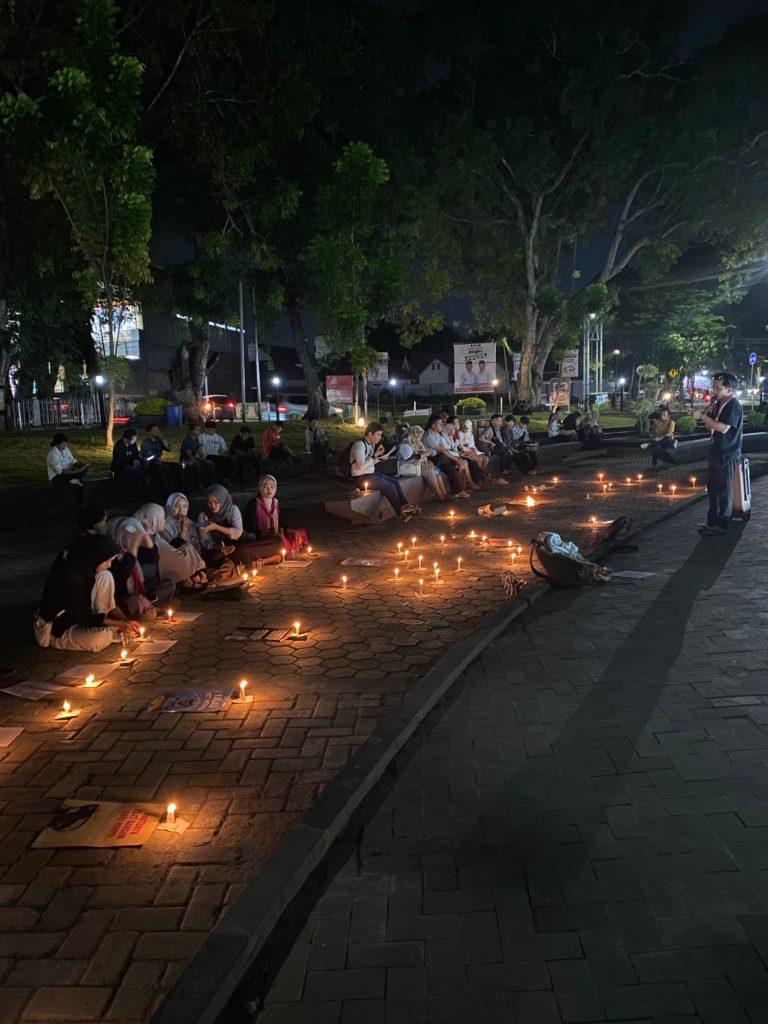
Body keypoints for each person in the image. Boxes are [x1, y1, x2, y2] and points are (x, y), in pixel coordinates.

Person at [35, 535, 139, 651]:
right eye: (107, 561)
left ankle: (110, 628)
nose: (109, 565)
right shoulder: (71, 576)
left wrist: (125, 621)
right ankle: (108, 630)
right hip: (60, 627)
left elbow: (111, 606)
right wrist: (118, 624)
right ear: (96, 557)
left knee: (106, 575)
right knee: (98, 639)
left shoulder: (88, 567)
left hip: (86, 619)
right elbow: (82, 616)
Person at [693, 371, 744, 535]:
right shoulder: (718, 404)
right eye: (713, 388)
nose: (714, 391)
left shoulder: (733, 405)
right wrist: (707, 416)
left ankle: (722, 522)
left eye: (718, 388)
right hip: (716, 449)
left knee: (724, 489)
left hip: (727, 452)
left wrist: (702, 417)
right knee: (713, 487)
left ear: (729, 389)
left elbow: (723, 427)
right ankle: (712, 520)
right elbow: (712, 426)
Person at [349, 422, 421, 520]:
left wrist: (380, 458)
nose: (379, 438)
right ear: (370, 434)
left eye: (380, 435)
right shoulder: (359, 445)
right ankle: (401, 512)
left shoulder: (371, 445)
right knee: (389, 486)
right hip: (361, 478)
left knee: (395, 482)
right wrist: (375, 456)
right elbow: (361, 466)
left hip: (370, 474)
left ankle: (405, 507)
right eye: (378, 435)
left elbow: (369, 464)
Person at [197, 483, 281, 566]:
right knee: (240, 552)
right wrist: (219, 548)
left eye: (216, 502)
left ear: (223, 500)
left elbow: (238, 532)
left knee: (277, 540)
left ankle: (257, 561)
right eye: (210, 502)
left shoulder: (232, 510)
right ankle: (261, 562)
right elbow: (204, 541)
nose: (213, 506)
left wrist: (216, 527)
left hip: (239, 542)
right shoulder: (203, 516)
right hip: (220, 550)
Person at [136, 502, 207, 589]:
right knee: (185, 549)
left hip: (162, 565)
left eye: (185, 506)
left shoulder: (154, 534)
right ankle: (190, 576)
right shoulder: (149, 537)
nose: (181, 510)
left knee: (183, 545)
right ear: (153, 520)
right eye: (162, 518)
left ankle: (190, 575)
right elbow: (166, 555)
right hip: (149, 577)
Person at [109, 516, 164, 617]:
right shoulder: (111, 555)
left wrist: (144, 534)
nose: (130, 539)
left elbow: (153, 558)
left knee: (168, 585)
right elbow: (124, 573)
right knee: (135, 601)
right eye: (127, 535)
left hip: (140, 592)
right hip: (122, 598)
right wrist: (133, 545)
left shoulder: (134, 550)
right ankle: (148, 608)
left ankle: (147, 608)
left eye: (132, 536)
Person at [243, 475, 308, 557]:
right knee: (279, 540)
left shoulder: (275, 503)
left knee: (300, 532)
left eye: (272, 487)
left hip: (275, 536)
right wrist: (269, 535)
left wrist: (293, 531)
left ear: (276, 488)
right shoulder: (254, 503)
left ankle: (286, 547)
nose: (269, 490)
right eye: (265, 486)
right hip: (262, 539)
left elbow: (279, 524)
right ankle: (286, 549)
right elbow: (248, 527)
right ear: (260, 488)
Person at [423, 414, 473, 496]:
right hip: (432, 460)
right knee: (450, 460)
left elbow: (445, 449)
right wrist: (456, 459)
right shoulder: (428, 436)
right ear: (433, 425)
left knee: (451, 467)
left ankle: (460, 490)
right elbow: (441, 450)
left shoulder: (438, 435)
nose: (442, 426)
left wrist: (456, 459)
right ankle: (459, 490)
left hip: (440, 460)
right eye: (440, 424)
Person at [398, 425, 449, 501]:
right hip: (409, 466)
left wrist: (425, 458)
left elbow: (421, 455)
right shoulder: (405, 444)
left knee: (435, 469)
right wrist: (422, 455)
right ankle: (439, 494)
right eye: (419, 436)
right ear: (415, 435)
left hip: (418, 463)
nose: (420, 438)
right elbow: (408, 458)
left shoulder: (417, 443)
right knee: (429, 471)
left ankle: (444, 493)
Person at [46, 433, 89, 503]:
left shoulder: (65, 449)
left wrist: (80, 465)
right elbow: (59, 471)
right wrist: (75, 472)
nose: (65, 446)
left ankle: (74, 479)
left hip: (69, 472)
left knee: (84, 469)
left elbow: (72, 460)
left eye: (65, 444)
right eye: (63, 444)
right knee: (79, 485)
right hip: (57, 476)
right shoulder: (52, 454)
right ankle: (81, 503)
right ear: (56, 444)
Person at [179, 423, 212, 490]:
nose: (198, 431)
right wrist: (196, 461)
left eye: (199, 430)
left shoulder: (196, 439)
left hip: (192, 458)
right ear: (191, 431)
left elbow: (199, 451)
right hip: (185, 460)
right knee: (197, 464)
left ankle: (209, 482)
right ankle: (199, 484)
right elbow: (189, 454)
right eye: (196, 430)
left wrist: (203, 458)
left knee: (210, 463)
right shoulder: (187, 440)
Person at [140, 423, 172, 490]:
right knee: (160, 467)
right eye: (155, 430)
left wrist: (162, 439)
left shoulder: (159, 441)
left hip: (158, 462)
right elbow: (148, 456)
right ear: (149, 432)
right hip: (148, 463)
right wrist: (156, 459)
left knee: (174, 466)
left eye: (158, 430)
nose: (157, 432)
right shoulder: (146, 443)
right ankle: (164, 489)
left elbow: (169, 449)